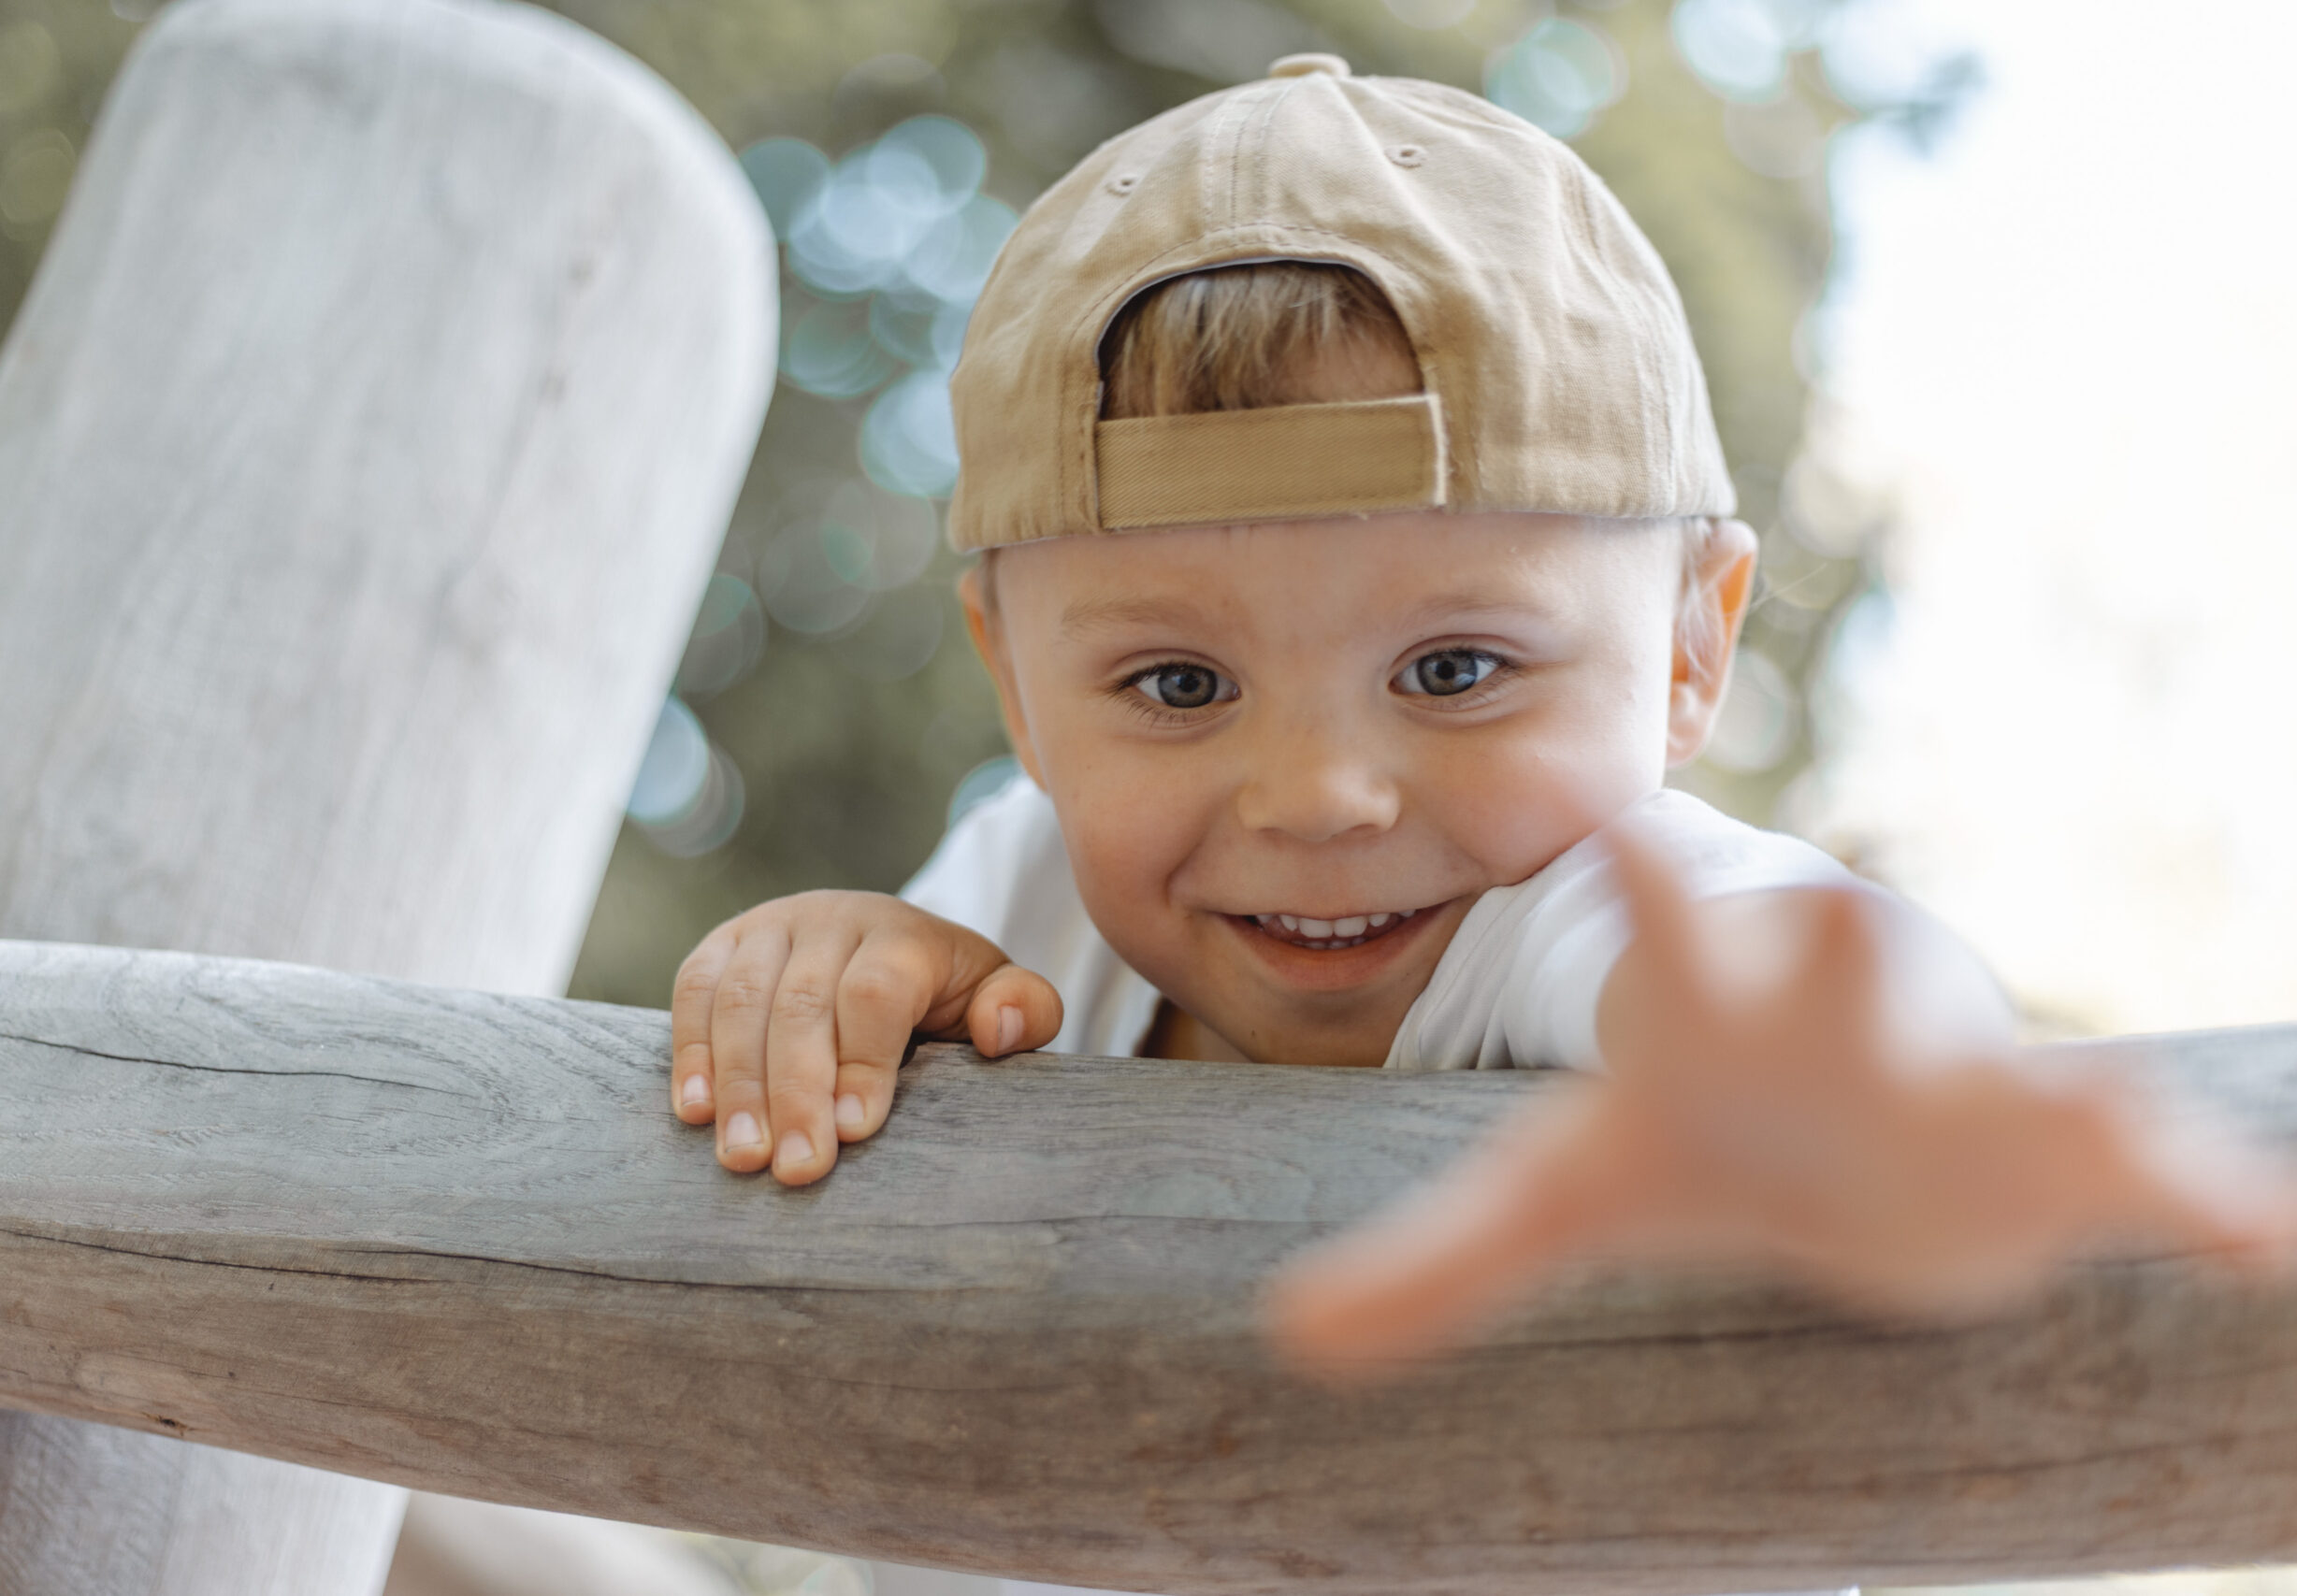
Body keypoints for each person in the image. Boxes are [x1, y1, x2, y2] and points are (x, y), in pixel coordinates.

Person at [668, 53, 2290, 1349]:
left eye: (1455, 671)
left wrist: (1868, 1084)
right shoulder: (1028, 896)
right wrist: (829, 973)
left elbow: (1760, 963)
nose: (1317, 794)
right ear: (1014, 689)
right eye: (1177, 683)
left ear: (1687, 652)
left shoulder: (1563, 907)